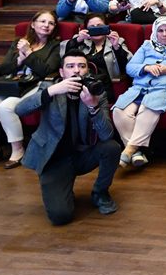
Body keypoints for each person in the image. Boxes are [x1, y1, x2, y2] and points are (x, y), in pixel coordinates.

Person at [12, 50, 121, 224]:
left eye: (81, 66)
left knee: (112, 148)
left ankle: (100, 192)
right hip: (54, 158)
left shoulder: (96, 93)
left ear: (87, 70)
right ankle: (62, 188)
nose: (76, 70)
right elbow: (20, 110)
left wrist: (93, 107)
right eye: (70, 66)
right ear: (62, 72)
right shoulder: (49, 88)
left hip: (82, 153)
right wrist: (52, 91)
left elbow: (107, 135)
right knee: (60, 216)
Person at [113, 17, 166, 168]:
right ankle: (136, 153)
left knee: (148, 108)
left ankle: (128, 150)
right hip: (138, 88)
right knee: (119, 110)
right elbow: (130, 68)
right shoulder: (146, 45)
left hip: (162, 89)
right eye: (160, 31)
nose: (164, 34)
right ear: (155, 32)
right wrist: (146, 67)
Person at [0, 11, 60, 168]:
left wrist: (28, 53)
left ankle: (18, 149)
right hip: (12, 85)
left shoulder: (55, 46)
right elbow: (5, 68)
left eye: (51, 23)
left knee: (6, 107)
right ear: (33, 24)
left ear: (54, 28)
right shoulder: (18, 43)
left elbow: (46, 71)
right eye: (42, 21)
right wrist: (19, 59)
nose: (46, 25)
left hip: (35, 86)